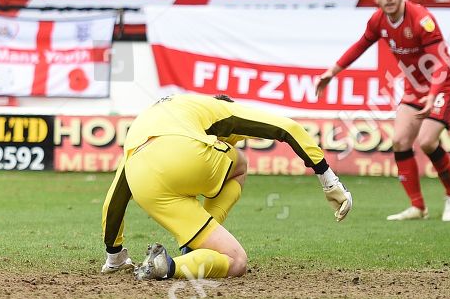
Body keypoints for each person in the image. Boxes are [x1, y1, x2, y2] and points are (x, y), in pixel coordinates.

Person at [100, 93, 353, 281]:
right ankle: (190, 250)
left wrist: (115, 256)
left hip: (145, 182)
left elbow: (114, 200)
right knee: (240, 166)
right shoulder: (219, 108)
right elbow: (290, 128)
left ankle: (166, 265)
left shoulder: (151, 123)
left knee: (231, 258)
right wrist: (330, 182)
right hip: (189, 156)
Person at [314, 0, 450, 222]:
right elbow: (361, 45)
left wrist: (432, 95)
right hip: (415, 88)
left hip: (445, 85)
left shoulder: (422, 19)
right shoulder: (378, 21)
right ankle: (418, 207)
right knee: (400, 141)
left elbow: (440, 63)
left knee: (427, 141)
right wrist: (333, 72)